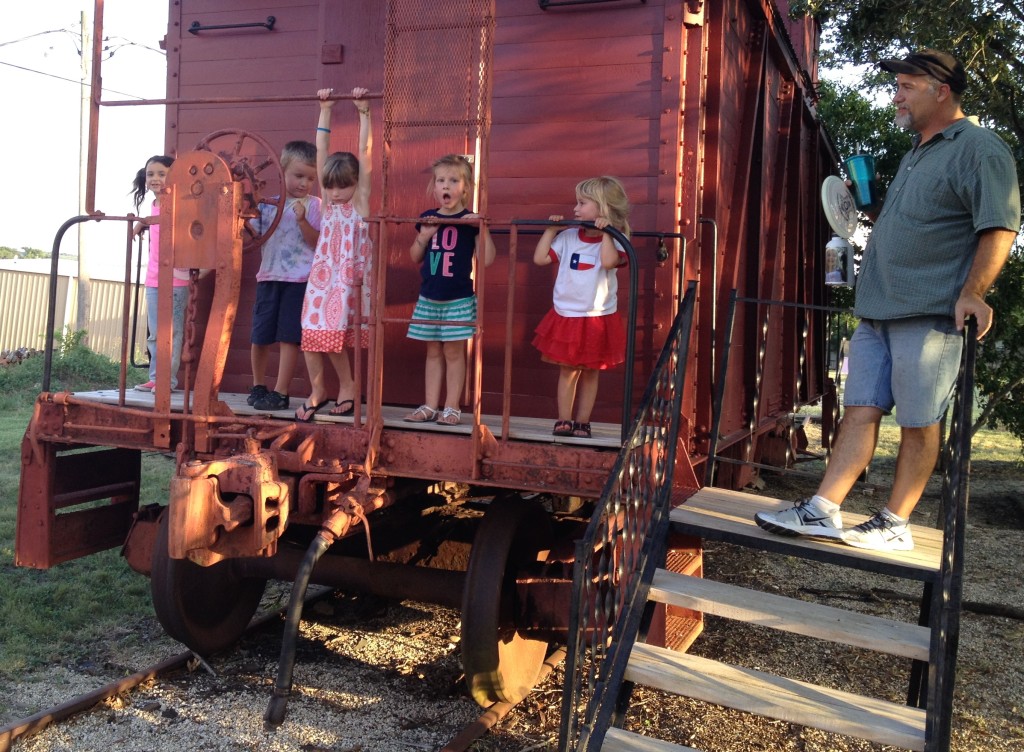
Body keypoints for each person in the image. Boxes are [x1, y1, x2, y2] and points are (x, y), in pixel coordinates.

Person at [755, 49, 1020, 551]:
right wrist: (872, 208)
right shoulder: (920, 151)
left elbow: (1001, 225)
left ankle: (895, 523)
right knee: (859, 410)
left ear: (941, 90)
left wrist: (974, 294)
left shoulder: (981, 148)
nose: (896, 95)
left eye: (907, 86)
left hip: (931, 313)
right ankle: (823, 510)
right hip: (877, 310)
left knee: (920, 421)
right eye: (896, 85)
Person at [294, 87, 373, 422]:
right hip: (322, 276)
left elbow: (364, 155)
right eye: (330, 186)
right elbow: (322, 152)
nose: (336, 192)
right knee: (311, 333)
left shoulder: (359, 202)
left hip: (348, 278)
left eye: (343, 185)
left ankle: (348, 387)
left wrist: (363, 112)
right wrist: (325, 109)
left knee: (335, 336)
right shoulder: (326, 203)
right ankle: (317, 390)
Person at [531, 176, 630, 440]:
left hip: (598, 316)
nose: (575, 209)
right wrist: (551, 231)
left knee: (590, 372)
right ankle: (563, 419)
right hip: (567, 315)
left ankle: (582, 422)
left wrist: (608, 232)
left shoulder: (618, 239)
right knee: (568, 370)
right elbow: (540, 259)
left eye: (582, 203)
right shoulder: (568, 237)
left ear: (603, 207)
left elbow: (609, 262)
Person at [403, 154, 495, 426]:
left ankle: (452, 406)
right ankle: (430, 405)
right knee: (432, 352)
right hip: (429, 297)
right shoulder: (427, 219)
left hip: (458, 299)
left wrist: (483, 227)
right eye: (441, 180)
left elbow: (487, 259)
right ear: (434, 187)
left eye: (453, 181)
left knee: (454, 353)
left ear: (465, 188)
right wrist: (423, 237)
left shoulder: (469, 221)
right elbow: (414, 256)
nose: (446, 186)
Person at [247, 141, 322, 411]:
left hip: (300, 281)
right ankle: (258, 385)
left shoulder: (315, 206)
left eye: (311, 178)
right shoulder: (267, 206)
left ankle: (281, 391)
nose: (304, 183)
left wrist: (302, 221)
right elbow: (249, 233)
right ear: (282, 171)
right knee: (261, 335)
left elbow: (317, 242)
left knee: (290, 337)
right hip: (268, 276)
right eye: (298, 175)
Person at [130, 155, 189, 393]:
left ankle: (167, 381)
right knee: (155, 333)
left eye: (161, 174)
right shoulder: (154, 205)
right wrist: (142, 222)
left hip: (176, 277)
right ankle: (156, 378)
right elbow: (157, 222)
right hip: (154, 277)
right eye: (150, 174)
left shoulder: (180, 202)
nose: (155, 178)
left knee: (171, 332)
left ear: (173, 177)